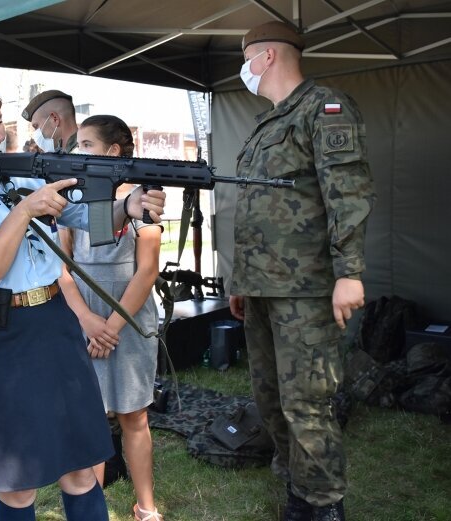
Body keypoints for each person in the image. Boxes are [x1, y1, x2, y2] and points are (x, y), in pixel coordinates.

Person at [0, 74, 166, 521]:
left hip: (54, 323)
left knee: (80, 469)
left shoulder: (17, 168)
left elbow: (79, 212)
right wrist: (24, 210)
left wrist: (127, 206)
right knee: (19, 485)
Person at [228, 21, 376, 521]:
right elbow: (258, 208)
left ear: (266, 56)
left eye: (246, 57)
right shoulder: (267, 122)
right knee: (269, 396)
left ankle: (323, 505)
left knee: (307, 401)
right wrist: (240, 282)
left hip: (305, 288)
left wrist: (349, 273)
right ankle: (298, 488)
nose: (244, 68)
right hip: (262, 287)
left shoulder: (324, 107)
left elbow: (347, 193)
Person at [57, 115, 163, 521]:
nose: (76, 151)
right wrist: (86, 319)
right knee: (91, 418)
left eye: (85, 144)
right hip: (83, 318)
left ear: (112, 152)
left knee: (134, 416)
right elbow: (62, 268)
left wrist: (111, 328)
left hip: (128, 322)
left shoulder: (144, 196)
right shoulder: (72, 196)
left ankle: (146, 508)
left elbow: (146, 271)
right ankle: (92, 508)